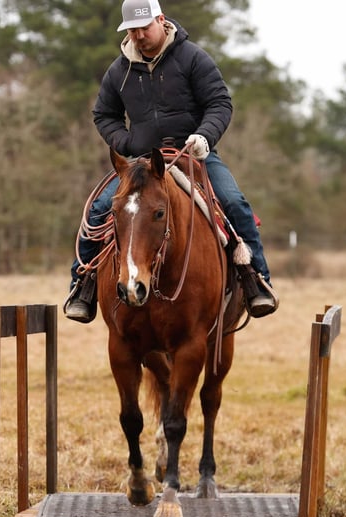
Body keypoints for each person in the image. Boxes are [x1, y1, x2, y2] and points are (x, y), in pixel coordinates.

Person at [64, 0, 278, 322]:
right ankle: (83, 285)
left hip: (194, 155)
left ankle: (256, 280)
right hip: (142, 164)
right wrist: (126, 143)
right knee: (97, 211)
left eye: (143, 27)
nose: (138, 35)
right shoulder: (119, 71)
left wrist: (204, 136)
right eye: (132, 30)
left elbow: (220, 103)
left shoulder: (193, 58)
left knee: (234, 203)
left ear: (160, 20)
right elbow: (103, 114)